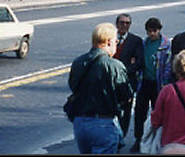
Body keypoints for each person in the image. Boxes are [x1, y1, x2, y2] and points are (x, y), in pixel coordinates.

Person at [68, 22, 134, 154]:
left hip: (80, 123)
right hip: (103, 122)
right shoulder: (115, 65)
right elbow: (126, 94)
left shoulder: (78, 62)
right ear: (109, 42)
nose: (117, 45)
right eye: (116, 42)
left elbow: (73, 85)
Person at [131, 17, 172, 153]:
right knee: (140, 113)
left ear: (159, 30)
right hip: (145, 82)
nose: (152, 34)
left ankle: (157, 138)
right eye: (149, 31)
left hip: (158, 84)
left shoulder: (165, 45)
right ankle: (139, 138)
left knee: (158, 113)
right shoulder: (144, 44)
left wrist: (165, 85)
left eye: (154, 31)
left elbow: (168, 66)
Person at [113, 13, 144, 143]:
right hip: (110, 83)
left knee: (125, 113)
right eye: (122, 23)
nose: (124, 25)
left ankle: (121, 138)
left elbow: (138, 62)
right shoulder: (110, 38)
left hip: (127, 83)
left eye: (127, 23)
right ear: (117, 24)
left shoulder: (135, 41)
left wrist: (122, 71)